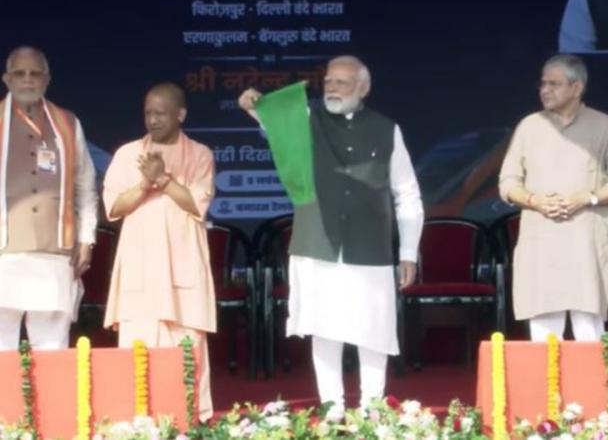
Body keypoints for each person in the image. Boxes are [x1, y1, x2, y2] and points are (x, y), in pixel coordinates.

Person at [238, 55, 424, 409]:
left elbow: (407, 193)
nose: (331, 88)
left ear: (363, 88)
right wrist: (252, 105)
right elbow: (274, 120)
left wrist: (408, 253)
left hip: (370, 247)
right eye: (328, 81)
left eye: (341, 82)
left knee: (374, 329)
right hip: (317, 244)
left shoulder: (387, 128)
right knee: (324, 328)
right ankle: (332, 407)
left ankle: (372, 409)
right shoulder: (307, 117)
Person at [498, 54, 608, 341]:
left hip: (586, 244)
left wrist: (588, 198)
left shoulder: (606, 126)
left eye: (554, 84)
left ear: (576, 87)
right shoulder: (529, 126)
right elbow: (507, 182)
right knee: (544, 338)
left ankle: (592, 376)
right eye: (542, 84)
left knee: (589, 335)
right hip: (541, 244)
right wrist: (535, 201)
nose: (544, 90)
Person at [102, 82, 216, 420]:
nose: (153, 120)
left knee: (187, 348)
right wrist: (144, 183)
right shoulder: (127, 154)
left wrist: (163, 179)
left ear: (180, 115)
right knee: (138, 349)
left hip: (182, 266)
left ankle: (193, 419)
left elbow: (196, 204)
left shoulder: (200, 154)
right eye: (148, 113)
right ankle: (139, 422)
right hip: (139, 268)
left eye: (161, 114)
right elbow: (114, 207)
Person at [0, 46, 97, 350]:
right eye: (20, 74)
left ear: (47, 79)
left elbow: (85, 185)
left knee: (52, 347)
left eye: (35, 73)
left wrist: (86, 239)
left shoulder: (67, 123)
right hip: (4, 254)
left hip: (54, 253)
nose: (27, 79)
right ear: (7, 79)